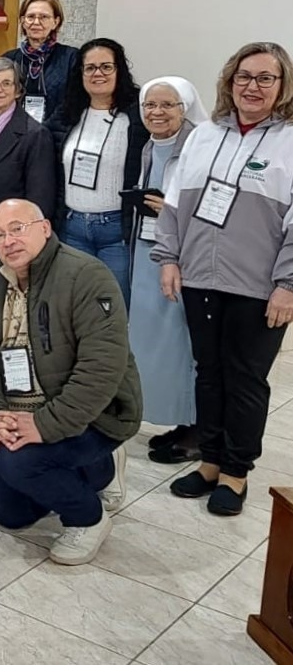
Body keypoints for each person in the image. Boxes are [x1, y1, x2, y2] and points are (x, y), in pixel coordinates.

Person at [154, 42, 293, 516]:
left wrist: (288, 284)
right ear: (229, 82)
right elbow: (174, 204)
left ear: (282, 85)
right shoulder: (207, 134)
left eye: (264, 78)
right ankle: (210, 461)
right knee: (208, 374)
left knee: (246, 379)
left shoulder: (289, 140)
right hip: (200, 276)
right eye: (243, 77)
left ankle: (236, 473)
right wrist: (169, 257)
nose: (252, 87)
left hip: (259, 287)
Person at [0, 199, 141, 565]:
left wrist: (45, 426)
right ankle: (96, 470)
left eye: (18, 228)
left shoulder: (87, 276)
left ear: (45, 228)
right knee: (9, 513)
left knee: (18, 465)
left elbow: (101, 368)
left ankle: (89, 518)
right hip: (21, 407)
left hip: (94, 415)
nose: (8, 240)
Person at [128, 77, 206, 464]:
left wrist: (170, 211)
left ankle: (198, 429)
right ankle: (178, 420)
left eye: (167, 105)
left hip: (182, 257)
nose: (157, 113)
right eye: (150, 106)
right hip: (147, 250)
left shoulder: (198, 146)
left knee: (183, 342)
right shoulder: (148, 145)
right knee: (156, 343)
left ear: (184, 108)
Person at [46, 38, 147, 307]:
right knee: (74, 307)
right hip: (72, 228)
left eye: (105, 67)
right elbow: (36, 141)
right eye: (89, 68)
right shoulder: (66, 113)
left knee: (113, 309)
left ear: (119, 70)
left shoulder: (138, 114)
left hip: (117, 232)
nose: (97, 74)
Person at [0, 57, 56, 268]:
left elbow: (40, 199)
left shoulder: (34, 134)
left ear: (18, 91)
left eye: (6, 83)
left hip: (9, 238)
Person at [2, 0, 79, 124]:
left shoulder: (71, 58)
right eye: (30, 17)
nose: (36, 22)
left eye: (44, 17)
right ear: (22, 21)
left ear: (56, 22)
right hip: (16, 134)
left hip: (57, 135)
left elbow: (74, 103)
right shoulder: (8, 60)